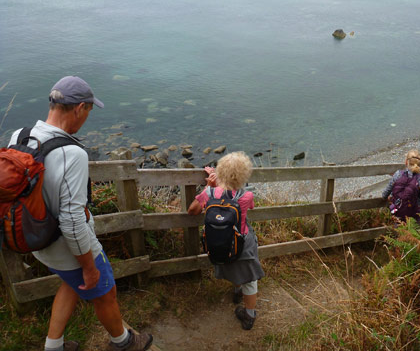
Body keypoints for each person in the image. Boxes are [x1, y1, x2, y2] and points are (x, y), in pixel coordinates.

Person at [10, 76, 153, 351]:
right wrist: (89, 266)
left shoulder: (21, 135)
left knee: (70, 284)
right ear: (79, 108)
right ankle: (123, 342)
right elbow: (72, 220)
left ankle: (53, 347)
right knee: (105, 292)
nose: (87, 117)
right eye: (89, 110)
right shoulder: (72, 154)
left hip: (36, 239)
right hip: (70, 247)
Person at [187, 152, 265, 330]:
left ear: (220, 171)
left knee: (230, 263)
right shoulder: (247, 196)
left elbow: (192, 210)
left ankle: (237, 291)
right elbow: (249, 207)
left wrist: (210, 186)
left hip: (221, 243)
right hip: (243, 243)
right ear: (244, 175)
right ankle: (249, 315)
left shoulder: (210, 192)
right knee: (250, 280)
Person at [382, 149, 420, 221]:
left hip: (398, 215)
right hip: (417, 217)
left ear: (406, 162)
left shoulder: (398, 174)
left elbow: (384, 194)